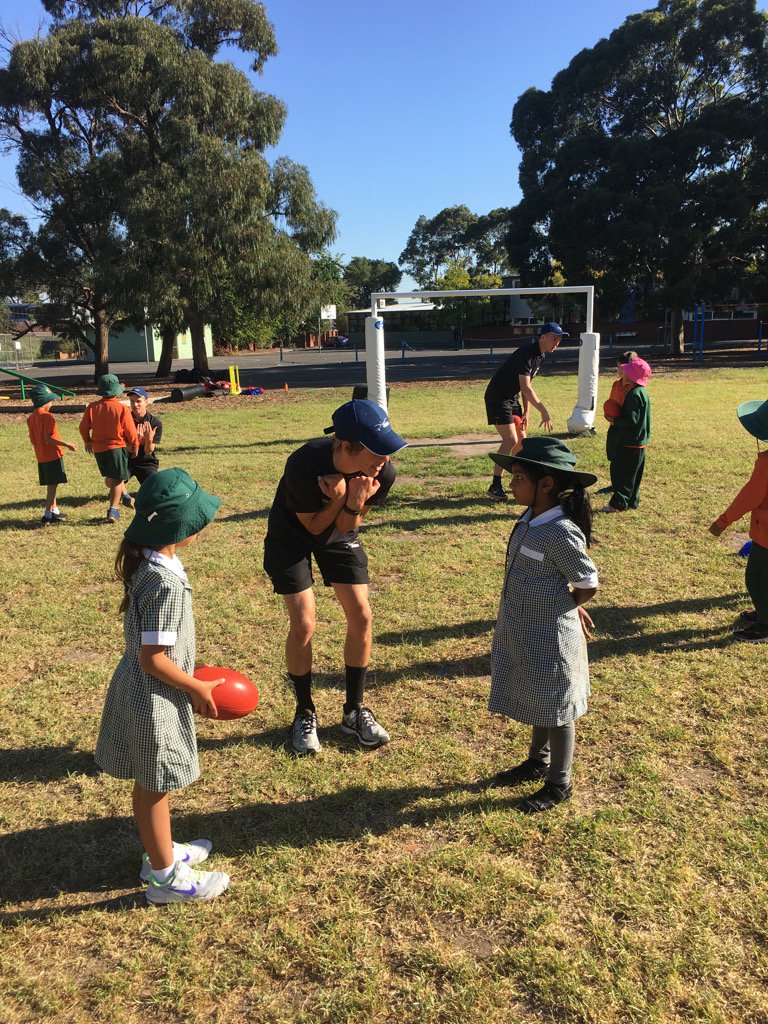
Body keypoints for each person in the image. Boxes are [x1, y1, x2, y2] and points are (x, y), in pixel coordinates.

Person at [94, 467, 230, 903]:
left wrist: (188, 668)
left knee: (154, 783)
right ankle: (164, 879)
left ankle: (161, 852)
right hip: (153, 699)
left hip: (148, 689)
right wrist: (196, 686)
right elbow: (152, 659)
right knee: (154, 786)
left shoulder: (154, 563)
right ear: (180, 526)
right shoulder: (164, 581)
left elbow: (158, 649)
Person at [263, 399, 408, 755]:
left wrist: (353, 503)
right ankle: (304, 711)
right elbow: (312, 526)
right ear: (347, 447)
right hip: (291, 535)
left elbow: (345, 527)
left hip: (339, 532)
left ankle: (353, 711)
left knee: (362, 615)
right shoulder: (303, 464)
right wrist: (338, 498)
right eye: (378, 452)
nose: (385, 460)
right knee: (304, 623)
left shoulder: (381, 474)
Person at [486, 437, 598, 813]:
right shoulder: (529, 517)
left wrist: (567, 607)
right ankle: (538, 760)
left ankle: (559, 782)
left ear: (546, 484)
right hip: (524, 629)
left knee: (558, 706)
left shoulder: (561, 530)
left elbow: (587, 582)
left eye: (519, 477)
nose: (512, 483)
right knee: (538, 695)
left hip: (551, 635)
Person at [484, 322, 569, 501]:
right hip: (498, 397)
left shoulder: (541, 356)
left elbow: (525, 388)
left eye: (559, 339)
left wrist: (527, 412)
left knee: (522, 440)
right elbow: (526, 387)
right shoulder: (527, 354)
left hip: (512, 397)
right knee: (510, 440)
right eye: (554, 338)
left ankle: (521, 480)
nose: (557, 342)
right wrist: (543, 411)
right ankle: (495, 485)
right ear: (543, 336)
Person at [709, 398, 768, 644]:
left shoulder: (766, 464)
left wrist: (722, 522)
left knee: (756, 577)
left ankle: (765, 625)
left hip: (766, 535)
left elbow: (748, 498)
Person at [79, 374, 139, 523]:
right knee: (118, 479)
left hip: (99, 450)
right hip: (116, 448)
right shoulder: (121, 409)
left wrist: (87, 440)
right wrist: (135, 446)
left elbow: (83, 427)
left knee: (112, 476)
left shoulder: (92, 407)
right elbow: (130, 431)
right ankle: (113, 510)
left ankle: (125, 497)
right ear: (116, 391)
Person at [601, 357, 652, 513]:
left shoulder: (634, 394)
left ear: (632, 375)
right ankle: (632, 501)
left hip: (629, 441)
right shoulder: (642, 392)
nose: (624, 372)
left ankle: (618, 503)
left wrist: (614, 420)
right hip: (640, 442)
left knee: (622, 474)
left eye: (627, 370)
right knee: (634, 475)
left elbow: (631, 419)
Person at [26, 384, 78, 525]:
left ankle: (54, 511)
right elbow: (48, 439)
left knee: (51, 484)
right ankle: (47, 515)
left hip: (41, 457)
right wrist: (67, 444)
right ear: (44, 401)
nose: (52, 403)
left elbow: (33, 440)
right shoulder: (48, 417)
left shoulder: (31, 418)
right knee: (52, 487)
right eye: (50, 400)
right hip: (52, 456)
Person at [122, 387, 163, 510]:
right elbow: (125, 448)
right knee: (111, 481)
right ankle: (124, 495)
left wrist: (149, 439)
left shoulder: (155, 423)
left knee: (155, 490)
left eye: (138, 401)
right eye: (132, 401)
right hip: (127, 460)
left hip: (146, 461)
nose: (135, 405)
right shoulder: (124, 420)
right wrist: (136, 442)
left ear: (146, 401)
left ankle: (121, 490)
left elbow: (148, 451)